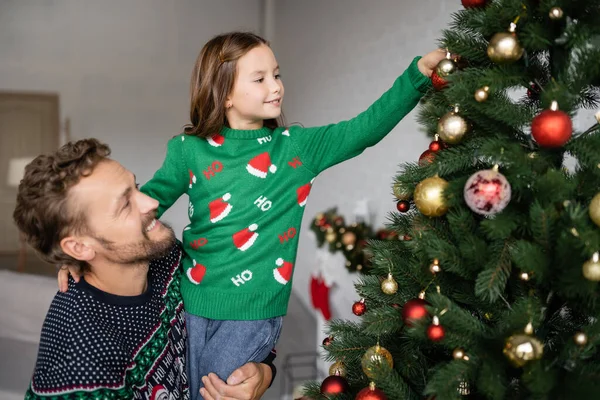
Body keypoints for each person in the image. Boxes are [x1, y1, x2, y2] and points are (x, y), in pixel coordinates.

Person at [133, 31, 447, 399]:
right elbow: (143, 206)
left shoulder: (295, 149)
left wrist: (417, 76)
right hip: (187, 305)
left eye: (277, 75)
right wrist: (84, 245)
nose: (276, 86)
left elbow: (363, 129)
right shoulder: (188, 151)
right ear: (225, 94)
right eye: (260, 78)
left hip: (250, 314)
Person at [14, 139, 275, 400]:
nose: (150, 202)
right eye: (125, 205)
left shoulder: (167, 257)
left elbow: (232, 319)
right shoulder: (80, 359)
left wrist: (263, 374)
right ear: (80, 247)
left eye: (135, 187)